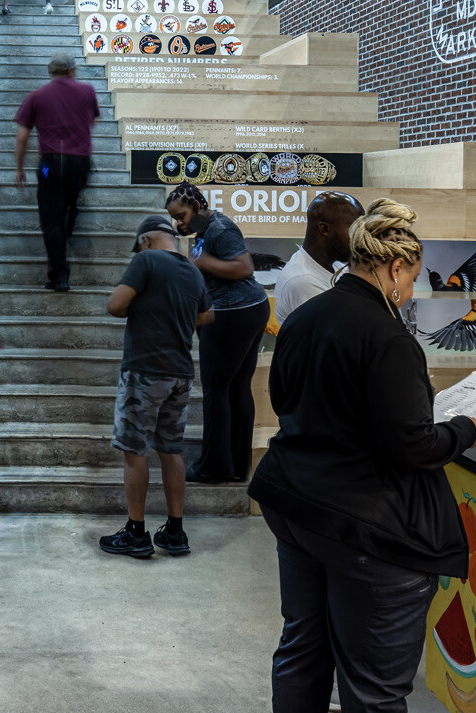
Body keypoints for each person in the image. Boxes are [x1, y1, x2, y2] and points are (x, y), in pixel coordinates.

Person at [248, 198, 476, 713]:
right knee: (375, 681)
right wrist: (464, 430)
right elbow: (413, 445)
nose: (410, 289)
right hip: (369, 529)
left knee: (303, 643)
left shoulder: (302, 317)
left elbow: (285, 398)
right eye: (411, 275)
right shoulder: (388, 338)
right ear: (395, 266)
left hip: (298, 507)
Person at [100, 215, 214, 559]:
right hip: (181, 373)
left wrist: (144, 308)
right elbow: (208, 316)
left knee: (135, 451)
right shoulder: (193, 271)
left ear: (146, 240)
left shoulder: (145, 260)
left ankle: (136, 533)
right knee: (170, 450)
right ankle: (175, 532)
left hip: (145, 369)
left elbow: (114, 305)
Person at [165, 182, 269, 484]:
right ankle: (236, 466)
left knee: (216, 389)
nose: (179, 224)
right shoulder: (207, 230)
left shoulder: (220, 229)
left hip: (233, 314)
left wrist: (202, 262)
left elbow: (244, 267)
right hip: (247, 310)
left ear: (197, 206)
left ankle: (213, 466)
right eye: (174, 218)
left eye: (182, 216)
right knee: (235, 387)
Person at [14, 54, 101, 291]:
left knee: (51, 218)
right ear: (73, 71)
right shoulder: (88, 91)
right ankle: (70, 215)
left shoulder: (37, 96)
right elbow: (92, 121)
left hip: (48, 164)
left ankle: (59, 276)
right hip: (81, 162)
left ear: (49, 72)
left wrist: (19, 168)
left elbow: (22, 136)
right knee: (70, 203)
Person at [276, 192, 364, 321]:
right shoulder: (302, 281)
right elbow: (344, 331)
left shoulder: (336, 264)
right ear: (324, 228)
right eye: (354, 230)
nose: (360, 238)